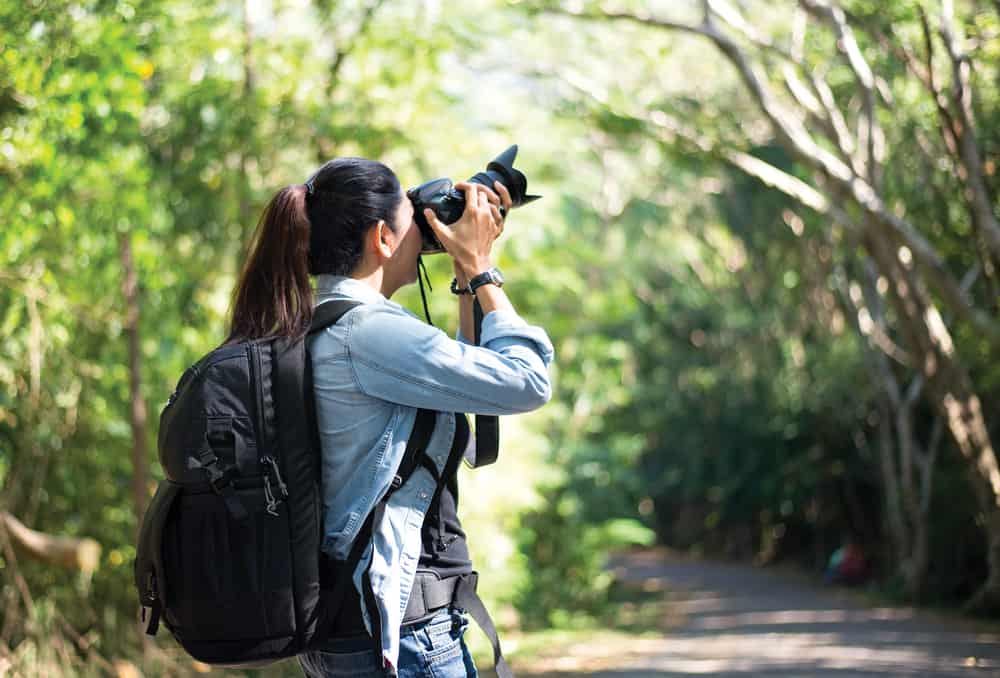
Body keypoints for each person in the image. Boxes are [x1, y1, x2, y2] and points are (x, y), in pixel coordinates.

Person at [224, 157, 554, 678]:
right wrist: (480, 268)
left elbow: (467, 384)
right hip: (404, 640)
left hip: (352, 628)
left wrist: (464, 276)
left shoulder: (315, 323)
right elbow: (527, 382)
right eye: (411, 216)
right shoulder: (371, 336)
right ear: (382, 237)